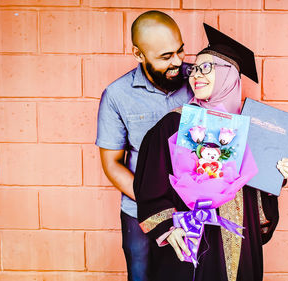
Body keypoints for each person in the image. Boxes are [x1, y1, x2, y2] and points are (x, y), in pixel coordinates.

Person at [133, 24, 288, 281]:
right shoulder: (174, 124)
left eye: (206, 67)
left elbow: (257, 205)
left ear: (230, 75)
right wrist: (168, 228)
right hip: (189, 241)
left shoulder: (251, 129)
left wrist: (274, 176)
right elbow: (149, 185)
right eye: (194, 68)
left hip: (238, 242)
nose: (196, 74)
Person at [95, 11, 193, 281]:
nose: (178, 62)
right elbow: (112, 164)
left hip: (194, 214)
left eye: (180, 51)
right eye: (165, 56)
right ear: (139, 54)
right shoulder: (116, 95)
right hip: (139, 214)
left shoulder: (197, 81)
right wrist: (156, 205)